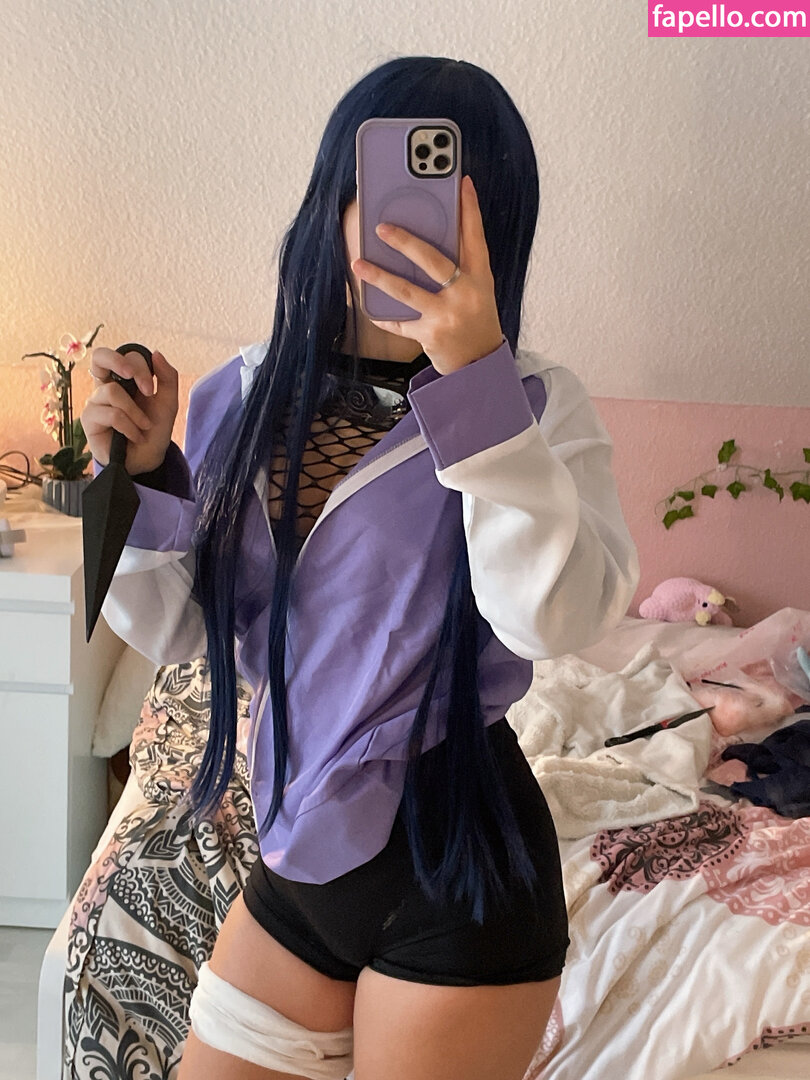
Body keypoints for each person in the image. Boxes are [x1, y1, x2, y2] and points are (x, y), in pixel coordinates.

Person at [82, 55, 639, 1080]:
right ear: (335, 196)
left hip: (460, 866)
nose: (411, 229)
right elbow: (186, 633)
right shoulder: (243, 392)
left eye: (456, 209)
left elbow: (552, 620)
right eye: (385, 192)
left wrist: (475, 388)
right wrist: (147, 473)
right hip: (299, 855)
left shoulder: (535, 400)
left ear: (498, 232)